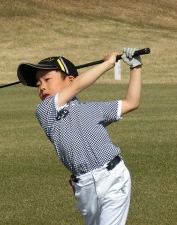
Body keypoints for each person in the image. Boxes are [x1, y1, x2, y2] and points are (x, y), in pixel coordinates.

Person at [17, 48, 142, 225]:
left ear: (69, 79)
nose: (42, 86)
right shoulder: (45, 111)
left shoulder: (92, 109)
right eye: (38, 84)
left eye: (47, 80)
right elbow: (78, 86)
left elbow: (131, 102)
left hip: (114, 177)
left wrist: (135, 68)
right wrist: (107, 64)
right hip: (84, 187)